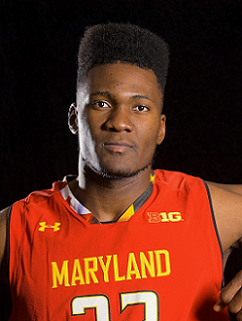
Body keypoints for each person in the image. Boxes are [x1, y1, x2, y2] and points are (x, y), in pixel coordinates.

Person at [0, 22, 242, 321]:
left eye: (140, 107)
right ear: (75, 117)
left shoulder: (209, 209)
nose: (120, 122)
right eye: (102, 103)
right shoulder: (15, 231)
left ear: (161, 128)